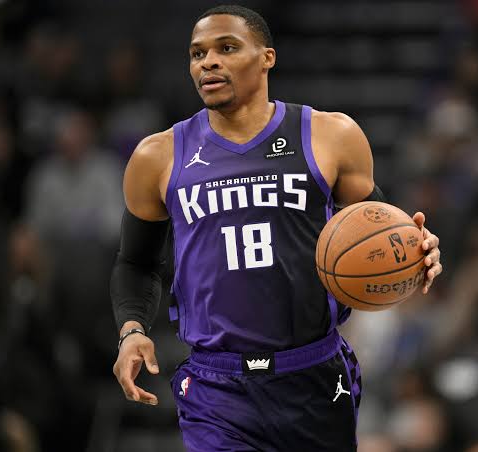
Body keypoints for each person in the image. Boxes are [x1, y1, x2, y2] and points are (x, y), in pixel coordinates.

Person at [110, 5, 442, 451]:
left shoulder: (330, 135)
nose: (208, 62)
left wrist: (419, 251)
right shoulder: (158, 156)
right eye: (197, 53)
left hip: (314, 373)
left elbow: (380, 231)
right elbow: (135, 262)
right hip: (217, 386)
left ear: (267, 57)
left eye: (227, 48)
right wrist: (132, 330)